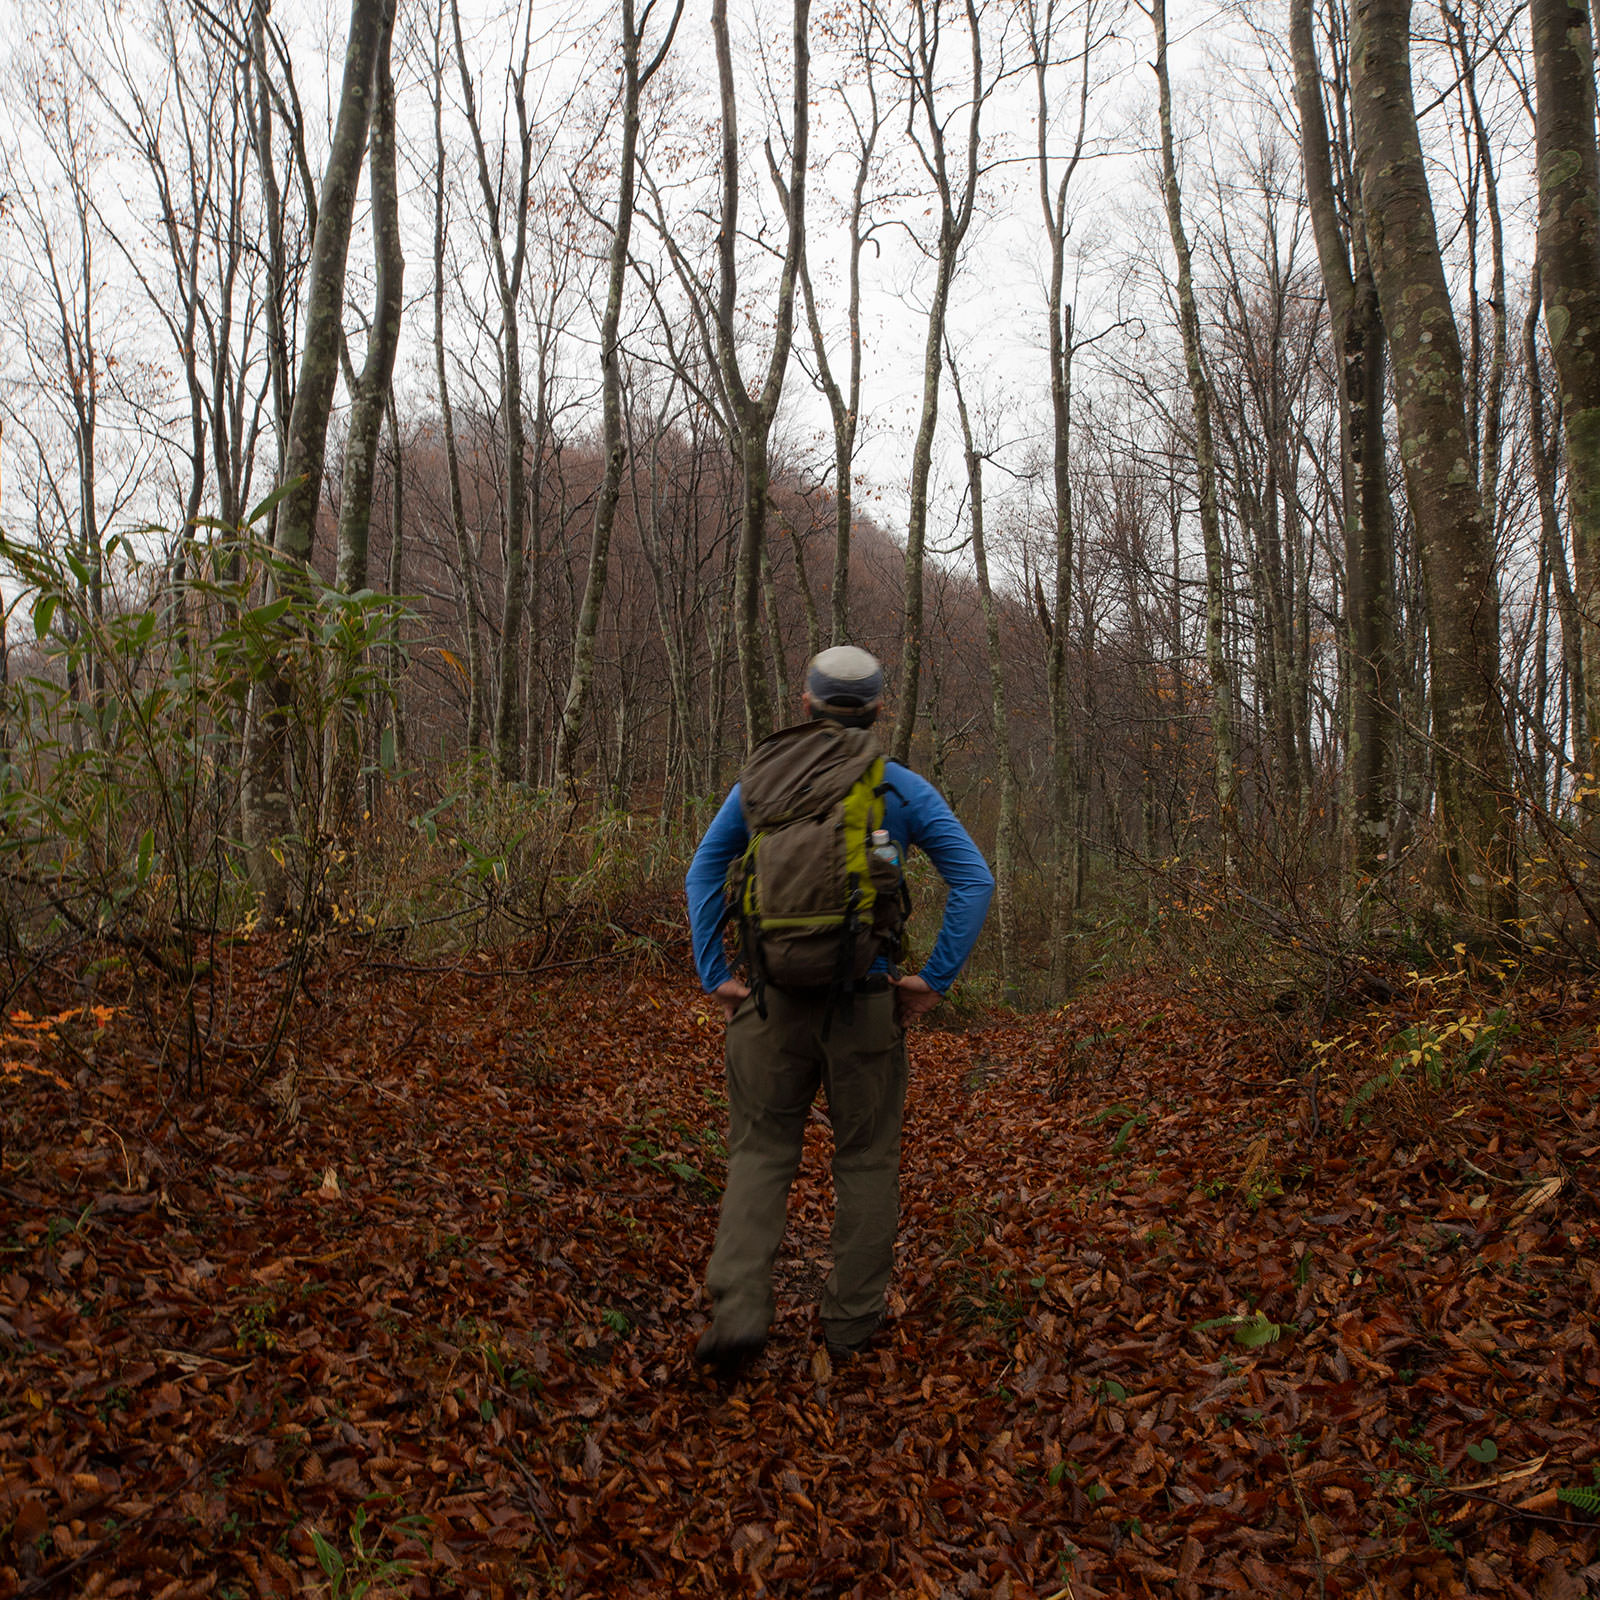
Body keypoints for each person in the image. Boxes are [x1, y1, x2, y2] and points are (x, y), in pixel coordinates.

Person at [684, 645, 994, 1372]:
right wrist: (932, 980)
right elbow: (973, 881)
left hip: (769, 1004)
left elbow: (705, 869)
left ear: (806, 703)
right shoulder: (900, 788)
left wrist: (714, 973)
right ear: (879, 708)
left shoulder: (759, 782)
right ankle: (849, 1329)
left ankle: (738, 1316)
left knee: (760, 1154)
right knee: (865, 1160)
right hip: (865, 1004)